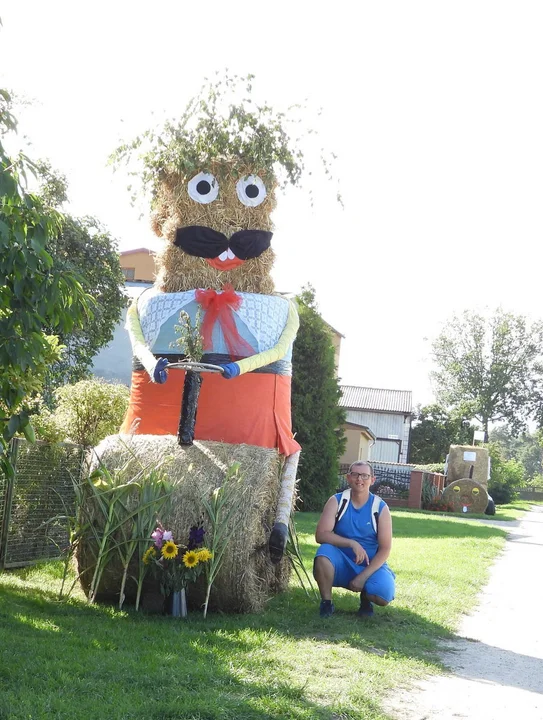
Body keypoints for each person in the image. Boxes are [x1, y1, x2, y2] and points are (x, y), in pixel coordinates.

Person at [313, 461, 395, 618]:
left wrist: (363, 577)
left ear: (372, 480)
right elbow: (321, 534)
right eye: (355, 475)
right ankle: (326, 603)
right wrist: (351, 543)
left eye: (365, 475)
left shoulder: (380, 507)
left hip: (369, 564)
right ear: (348, 478)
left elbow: (385, 548)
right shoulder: (337, 501)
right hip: (341, 560)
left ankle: (366, 599)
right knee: (323, 553)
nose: (360, 479)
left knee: (383, 596)